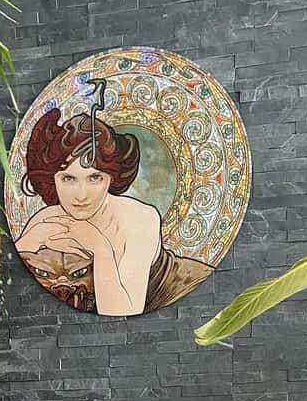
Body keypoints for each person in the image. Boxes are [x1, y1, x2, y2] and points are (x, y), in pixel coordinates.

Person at [14, 88, 211, 316]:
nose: (81, 194)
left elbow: (122, 311)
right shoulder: (47, 219)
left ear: (111, 178)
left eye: (95, 178)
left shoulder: (139, 220)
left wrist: (99, 246)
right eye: (68, 178)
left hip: (184, 293)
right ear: (52, 180)